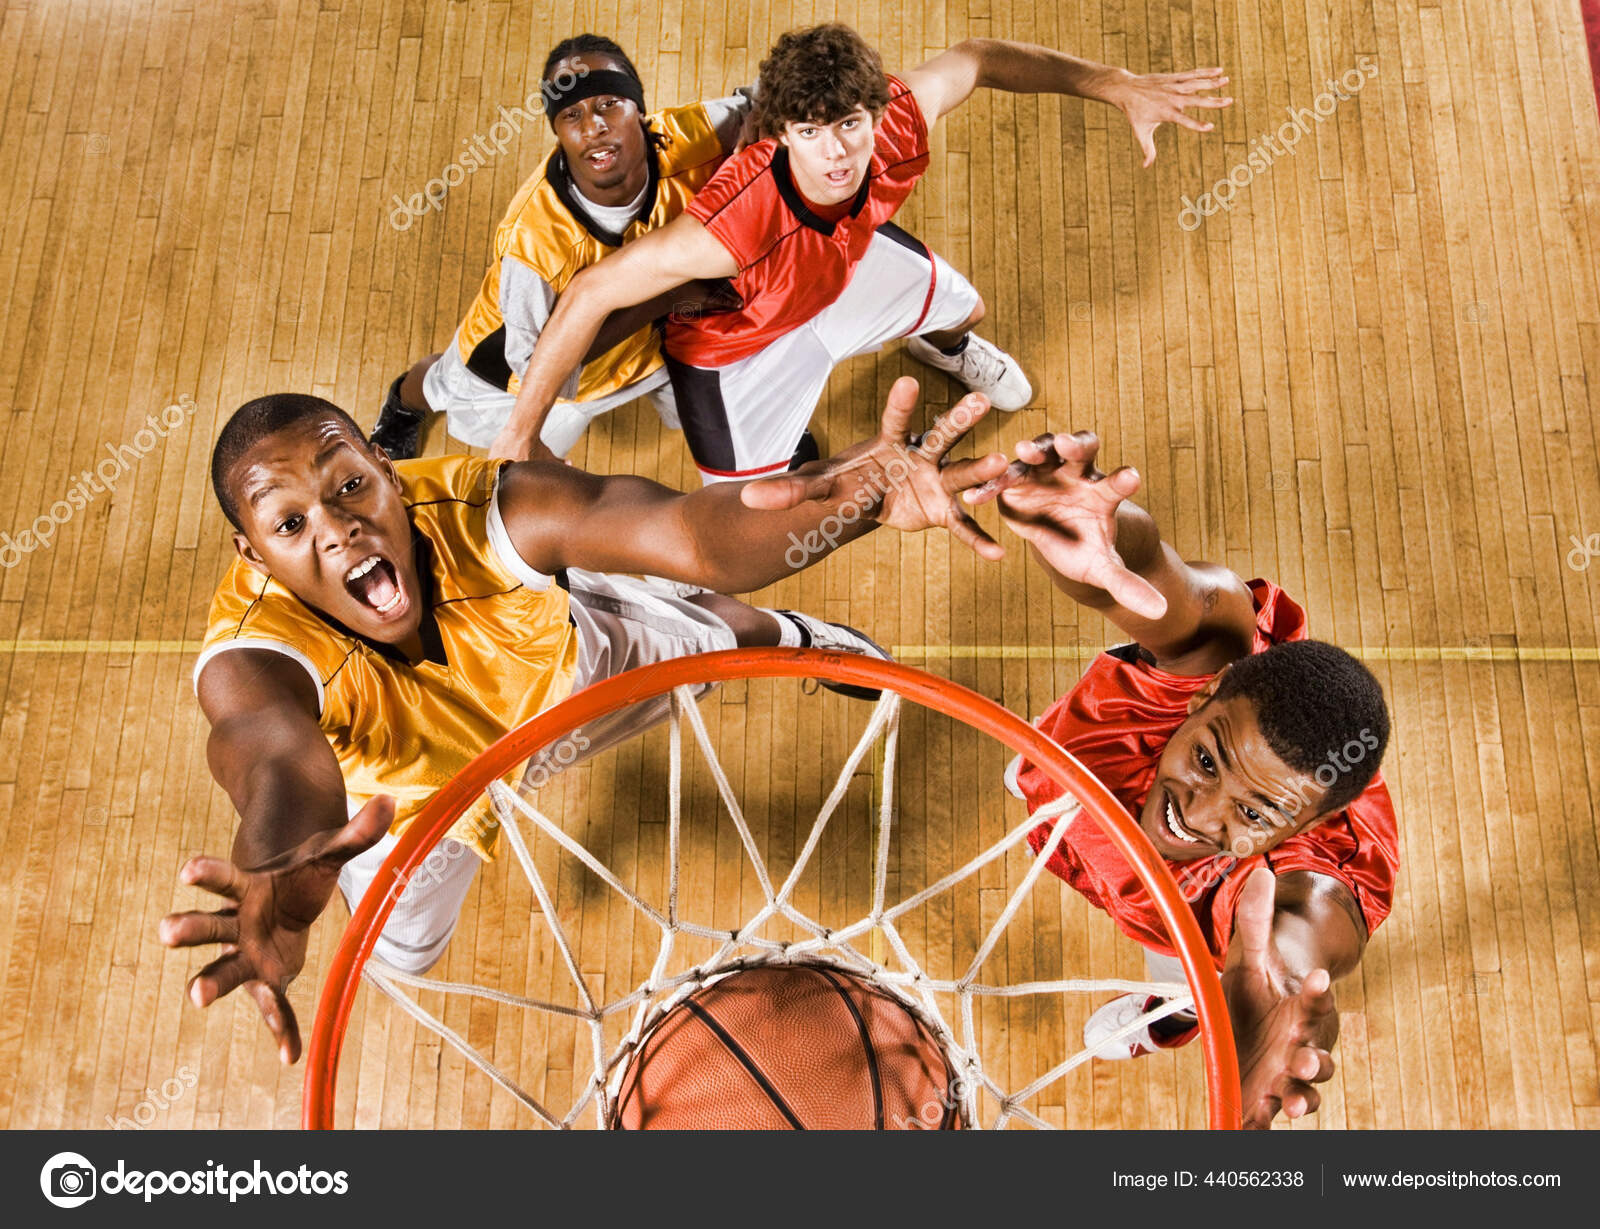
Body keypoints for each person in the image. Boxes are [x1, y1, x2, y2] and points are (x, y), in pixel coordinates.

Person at [161, 378, 1008, 1062]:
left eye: (350, 484)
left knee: (724, 635)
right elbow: (278, 767)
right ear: (251, 551)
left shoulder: (498, 508)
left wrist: (862, 495)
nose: (340, 528)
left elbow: (697, 535)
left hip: (563, 686)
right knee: (404, 957)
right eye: (290, 523)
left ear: (387, 470)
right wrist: (286, 880)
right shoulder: (250, 658)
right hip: (422, 808)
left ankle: (797, 637)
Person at [489, 24, 1232, 480]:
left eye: (848, 124)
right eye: (809, 134)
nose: (837, 153)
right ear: (780, 135)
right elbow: (590, 293)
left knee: (966, 308)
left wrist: (1111, 83)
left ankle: (942, 351)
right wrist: (520, 435)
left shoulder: (902, 117)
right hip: (740, 346)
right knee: (751, 506)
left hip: (839, 273)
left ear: (876, 108)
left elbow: (976, 59)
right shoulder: (732, 222)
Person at [958, 430, 1400, 1129]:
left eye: (1254, 814)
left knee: (1198, 974)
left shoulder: (1308, 889)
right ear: (1200, 701)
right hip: (1089, 793)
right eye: (1206, 760)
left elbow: (1297, 943)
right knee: (1050, 784)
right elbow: (1156, 582)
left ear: (1307, 830)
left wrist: (1279, 1005)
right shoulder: (1211, 663)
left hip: (1184, 926)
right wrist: (1103, 533)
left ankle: (1183, 1014)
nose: (1198, 814)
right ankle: (1061, 799)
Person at [369, 34, 756, 461]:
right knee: (438, 383)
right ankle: (403, 406)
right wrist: (663, 297)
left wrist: (764, 118)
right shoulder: (533, 242)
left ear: (639, 109)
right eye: (573, 114)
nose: (593, 127)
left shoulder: (694, 134)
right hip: (518, 370)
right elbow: (541, 363)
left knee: (724, 389)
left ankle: (773, 443)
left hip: (658, 338)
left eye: (608, 103)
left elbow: (776, 93)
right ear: (557, 132)